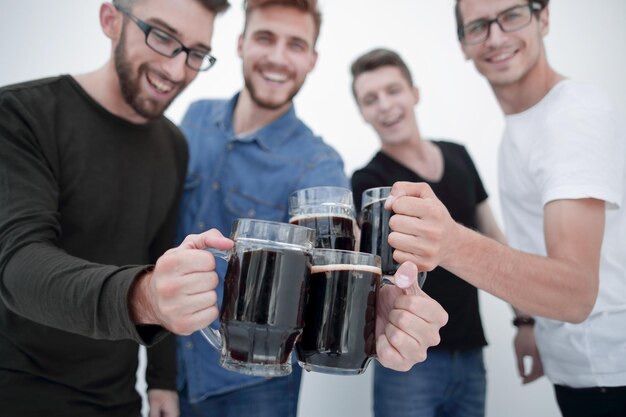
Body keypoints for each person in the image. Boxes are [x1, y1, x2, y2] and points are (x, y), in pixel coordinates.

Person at [175, 1, 448, 416]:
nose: (279, 58)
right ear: (241, 43)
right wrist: (158, 378)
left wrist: (383, 301)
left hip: (258, 385)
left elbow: (336, 272)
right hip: (173, 370)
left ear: (312, 59)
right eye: (266, 38)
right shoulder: (194, 118)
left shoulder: (319, 163)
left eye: (296, 44)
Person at [384, 0, 626, 415]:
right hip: (579, 369)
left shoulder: (572, 115)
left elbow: (576, 294)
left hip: (610, 372)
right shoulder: (521, 128)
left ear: (543, 16)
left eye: (511, 15)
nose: (496, 37)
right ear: (463, 44)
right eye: (478, 26)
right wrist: (527, 322)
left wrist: (450, 243)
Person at [0, 0, 232, 416]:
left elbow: (162, 254)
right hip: (20, 391)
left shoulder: (174, 145)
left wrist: (161, 382)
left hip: (118, 399)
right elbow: (18, 265)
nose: (177, 71)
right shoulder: (19, 114)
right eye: (162, 36)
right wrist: (143, 299)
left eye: (196, 53)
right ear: (110, 20)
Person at [350, 48, 506, 417]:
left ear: (414, 93)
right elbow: (369, 275)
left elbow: (495, 242)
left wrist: (526, 320)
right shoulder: (368, 181)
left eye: (393, 90)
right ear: (362, 112)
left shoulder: (460, 156)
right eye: (370, 99)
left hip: (470, 352)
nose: (385, 105)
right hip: (409, 360)